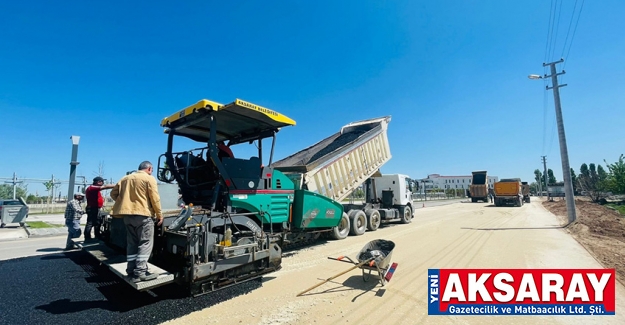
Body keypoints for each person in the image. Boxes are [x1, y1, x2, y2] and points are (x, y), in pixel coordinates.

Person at [110, 161, 163, 283]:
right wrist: (159, 214)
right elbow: (155, 198)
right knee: (145, 243)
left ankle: (131, 270)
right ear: (149, 168)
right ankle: (140, 272)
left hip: (128, 216)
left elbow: (113, 194)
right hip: (143, 215)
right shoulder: (149, 179)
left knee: (132, 243)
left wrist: (124, 202)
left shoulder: (125, 178)